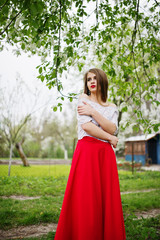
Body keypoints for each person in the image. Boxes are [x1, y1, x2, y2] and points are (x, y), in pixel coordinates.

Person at [54, 68, 126, 240]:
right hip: (87, 152)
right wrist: (110, 137)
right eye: (88, 79)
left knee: (106, 200)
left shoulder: (112, 106)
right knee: (86, 198)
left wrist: (94, 112)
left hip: (105, 156)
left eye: (95, 78)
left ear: (102, 81)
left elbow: (113, 128)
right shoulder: (83, 99)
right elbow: (87, 127)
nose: (92, 82)